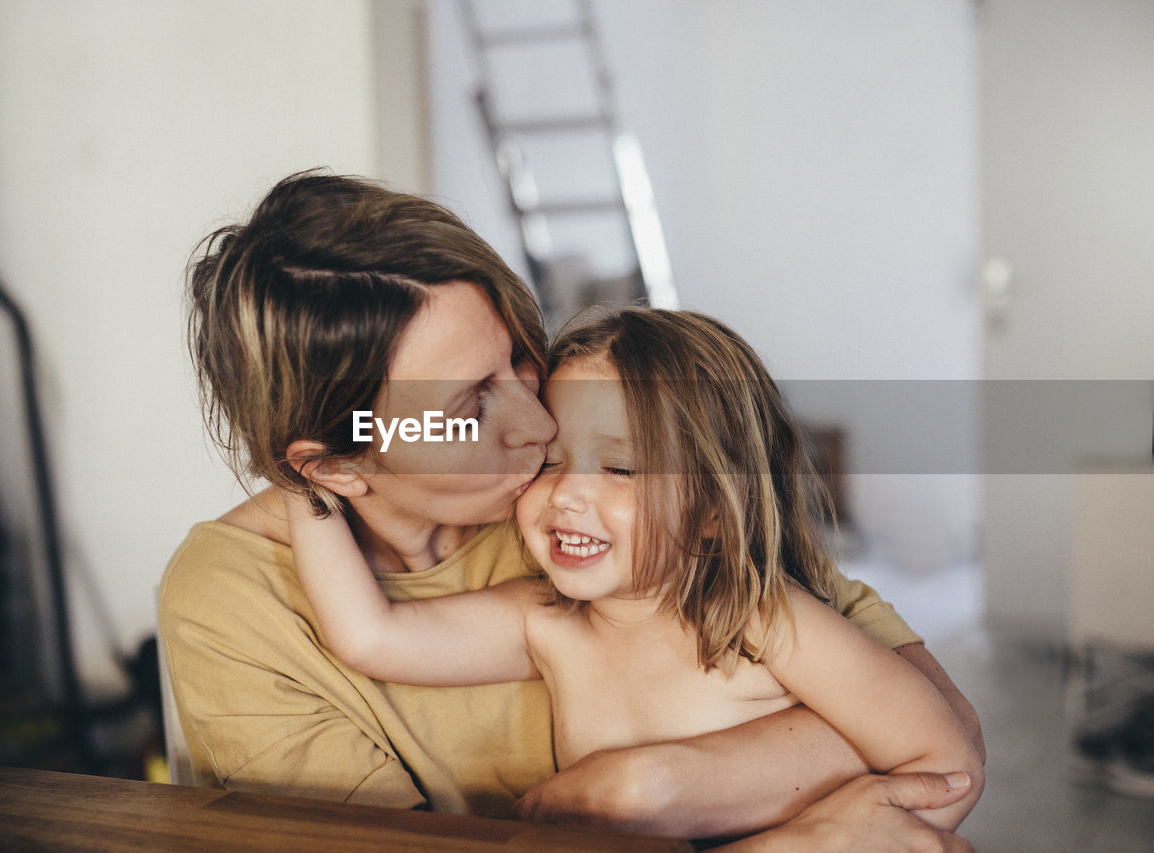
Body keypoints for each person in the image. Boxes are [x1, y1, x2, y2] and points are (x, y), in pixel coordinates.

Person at [159, 169, 983, 844]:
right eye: (468, 406)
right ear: (336, 464)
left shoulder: (680, 556)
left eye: (519, 356)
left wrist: (656, 785)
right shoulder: (238, 604)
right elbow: (371, 635)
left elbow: (943, 745)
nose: (538, 422)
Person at [282, 307, 984, 831]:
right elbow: (370, 636)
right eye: (549, 461)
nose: (568, 492)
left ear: (714, 507)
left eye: (620, 467)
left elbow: (944, 762)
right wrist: (306, 481)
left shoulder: (762, 618)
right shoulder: (544, 622)